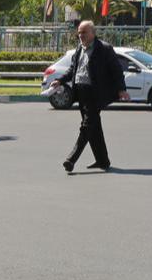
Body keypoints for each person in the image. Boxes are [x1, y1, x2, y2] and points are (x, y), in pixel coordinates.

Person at [53, 20, 129, 172]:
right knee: (94, 127)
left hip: (96, 93)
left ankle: (71, 159)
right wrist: (60, 80)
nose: (81, 35)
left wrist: (121, 89)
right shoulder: (79, 49)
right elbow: (73, 70)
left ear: (93, 33)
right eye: (79, 32)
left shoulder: (104, 49)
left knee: (86, 126)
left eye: (84, 32)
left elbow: (117, 70)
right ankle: (103, 160)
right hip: (81, 92)